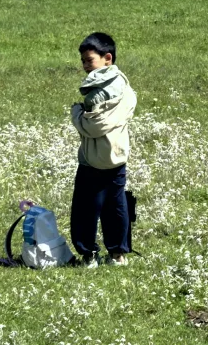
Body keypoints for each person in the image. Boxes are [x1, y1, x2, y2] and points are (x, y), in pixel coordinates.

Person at [69, 31, 137, 266]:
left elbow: (94, 127)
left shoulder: (97, 91)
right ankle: (117, 254)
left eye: (89, 60)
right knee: (116, 207)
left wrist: (76, 113)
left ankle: (88, 255)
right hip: (117, 157)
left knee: (85, 209)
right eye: (83, 61)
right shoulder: (124, 85)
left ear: (107, 58)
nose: (85, 66)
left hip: (93, 160)